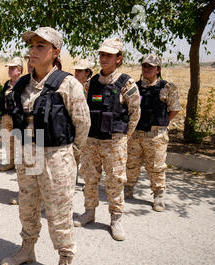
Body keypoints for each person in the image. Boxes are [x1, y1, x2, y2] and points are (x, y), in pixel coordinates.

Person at [1, 27, 90, 265]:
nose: (33, 50)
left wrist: (70, 156)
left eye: (41, 46)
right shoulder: (22, 85)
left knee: (59, 213)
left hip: (56, 156)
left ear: (55, 52)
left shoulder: (68, 84)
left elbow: (82, 123)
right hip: (28, 155)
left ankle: (65, 263)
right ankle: (27, 249)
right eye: (32, 45)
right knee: (27, 207)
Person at [74, 37, 141, 241]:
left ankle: (116, 218)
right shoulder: (92, 82)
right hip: (92, 139)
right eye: (102, 54)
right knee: (89, 176)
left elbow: (135, 113)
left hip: (114, 140)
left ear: (118, 58)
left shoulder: (126, 83)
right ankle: (89, 211)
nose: (103, 58)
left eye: (108, 55)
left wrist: (123, 138)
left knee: (114, 180)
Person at [125, 54, 180, 212]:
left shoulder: (167, 87)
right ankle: (128, 188)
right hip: (135, 134)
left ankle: (158, 195)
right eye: (144, 66)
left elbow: (174, 109)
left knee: (157, 166)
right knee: (131, 164)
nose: (147, 69)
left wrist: (162, 123)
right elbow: (127, 107)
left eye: (151, 66)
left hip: (156, 135)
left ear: (158, 69)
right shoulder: (134, 87)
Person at [0, 56, 23, 172]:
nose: (10, 70)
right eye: (9, 68)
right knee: (8, 140)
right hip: (6, 117)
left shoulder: (24, 84)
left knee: (20, 140)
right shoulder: (7, 84)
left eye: (12, 68)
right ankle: (11, 162)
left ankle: (21, 163)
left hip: (18, 117)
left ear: (19, 70)